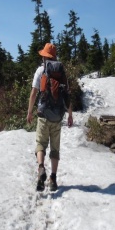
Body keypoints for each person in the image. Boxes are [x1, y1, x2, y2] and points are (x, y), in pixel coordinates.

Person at [27, 43, 73, 191]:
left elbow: (34, 93)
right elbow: (67, 95)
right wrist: (70, 114)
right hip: (57, 117)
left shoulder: (40, 70)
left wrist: (29, 112)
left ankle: (41, 168)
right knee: (55, 148)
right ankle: (53, 179)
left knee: (41, 143)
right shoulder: (61, 72)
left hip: (43, 114)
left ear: (44, 56)